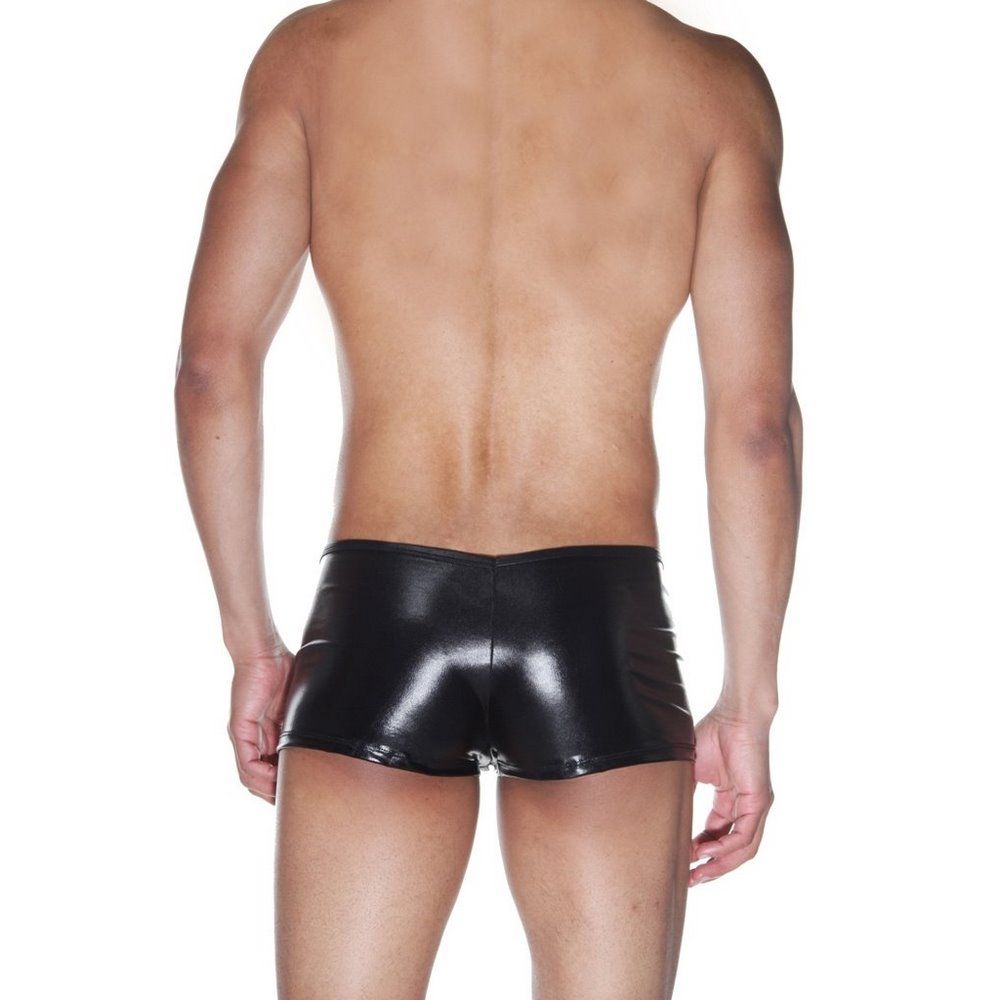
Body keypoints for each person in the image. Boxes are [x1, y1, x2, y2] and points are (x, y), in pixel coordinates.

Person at [174, 1, 802, 997]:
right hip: (599, 623)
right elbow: (756, 426)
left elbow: (212, 367)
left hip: (381, 610)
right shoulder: (709, 82)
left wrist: (252, 645)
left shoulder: (315, 55)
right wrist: (750, 701)